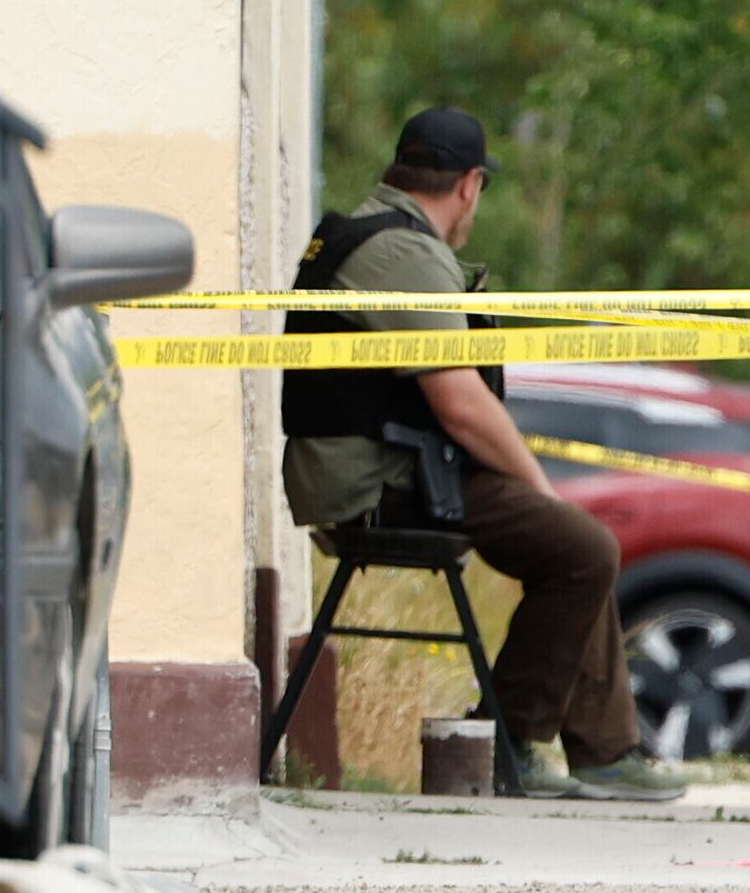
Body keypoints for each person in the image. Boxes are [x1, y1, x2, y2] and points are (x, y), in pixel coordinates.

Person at [279, 107, 683, 800]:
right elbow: (459, 402)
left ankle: (605, 750)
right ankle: (514, 743)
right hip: (378, 483)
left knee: (577, 545)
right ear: (469, 184)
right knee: (582, 545)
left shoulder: (372, 234)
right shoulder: (404, 253)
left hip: (384, 468)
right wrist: (538, 485)